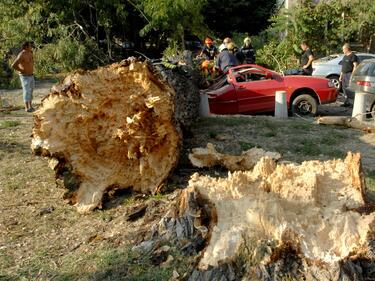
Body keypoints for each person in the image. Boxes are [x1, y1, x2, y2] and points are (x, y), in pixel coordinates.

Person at [11, 41, 35, 112]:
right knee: (26, 91)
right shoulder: (21, 55)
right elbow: (13, 65)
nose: (31, 47)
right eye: (30, 46)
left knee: (31, 91)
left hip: (31, 75)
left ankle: (30, 106)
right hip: (25, 76)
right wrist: (21, 70)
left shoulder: (30, 53)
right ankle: (26, 107)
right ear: (26, 47)